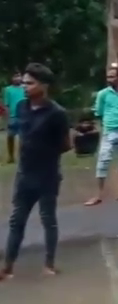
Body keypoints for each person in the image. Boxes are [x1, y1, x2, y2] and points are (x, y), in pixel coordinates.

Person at [1, 63, 70, 279]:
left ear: (44, 85)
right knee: (17, 220)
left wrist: (45, 151)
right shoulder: (21, 106)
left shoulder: (57, 113)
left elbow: (66, 145)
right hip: (25, 175)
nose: (24, 87)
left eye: (29, 83)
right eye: (23, 83)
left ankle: (49, 264)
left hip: (47, 175)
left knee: (48, 218)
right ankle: (7, 267)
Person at [85, 65, 118, 206]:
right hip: (109, 131)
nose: (109, 79)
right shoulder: (103, 94)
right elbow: (99, 112)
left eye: (112, 76)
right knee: (102, 161)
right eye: (108, 76)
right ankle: (98, 194)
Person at [3, 72, 26, 163]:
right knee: (10, 136)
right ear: (12, 78)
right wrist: (7, 118)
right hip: (13, 116)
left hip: (23, 115)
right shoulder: (7, 89)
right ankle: (11, 156)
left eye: (19, 76)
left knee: (23, 138)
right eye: (15, 76)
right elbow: (6, 105)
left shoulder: (24, 88)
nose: (17, 78)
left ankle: (22, 157)